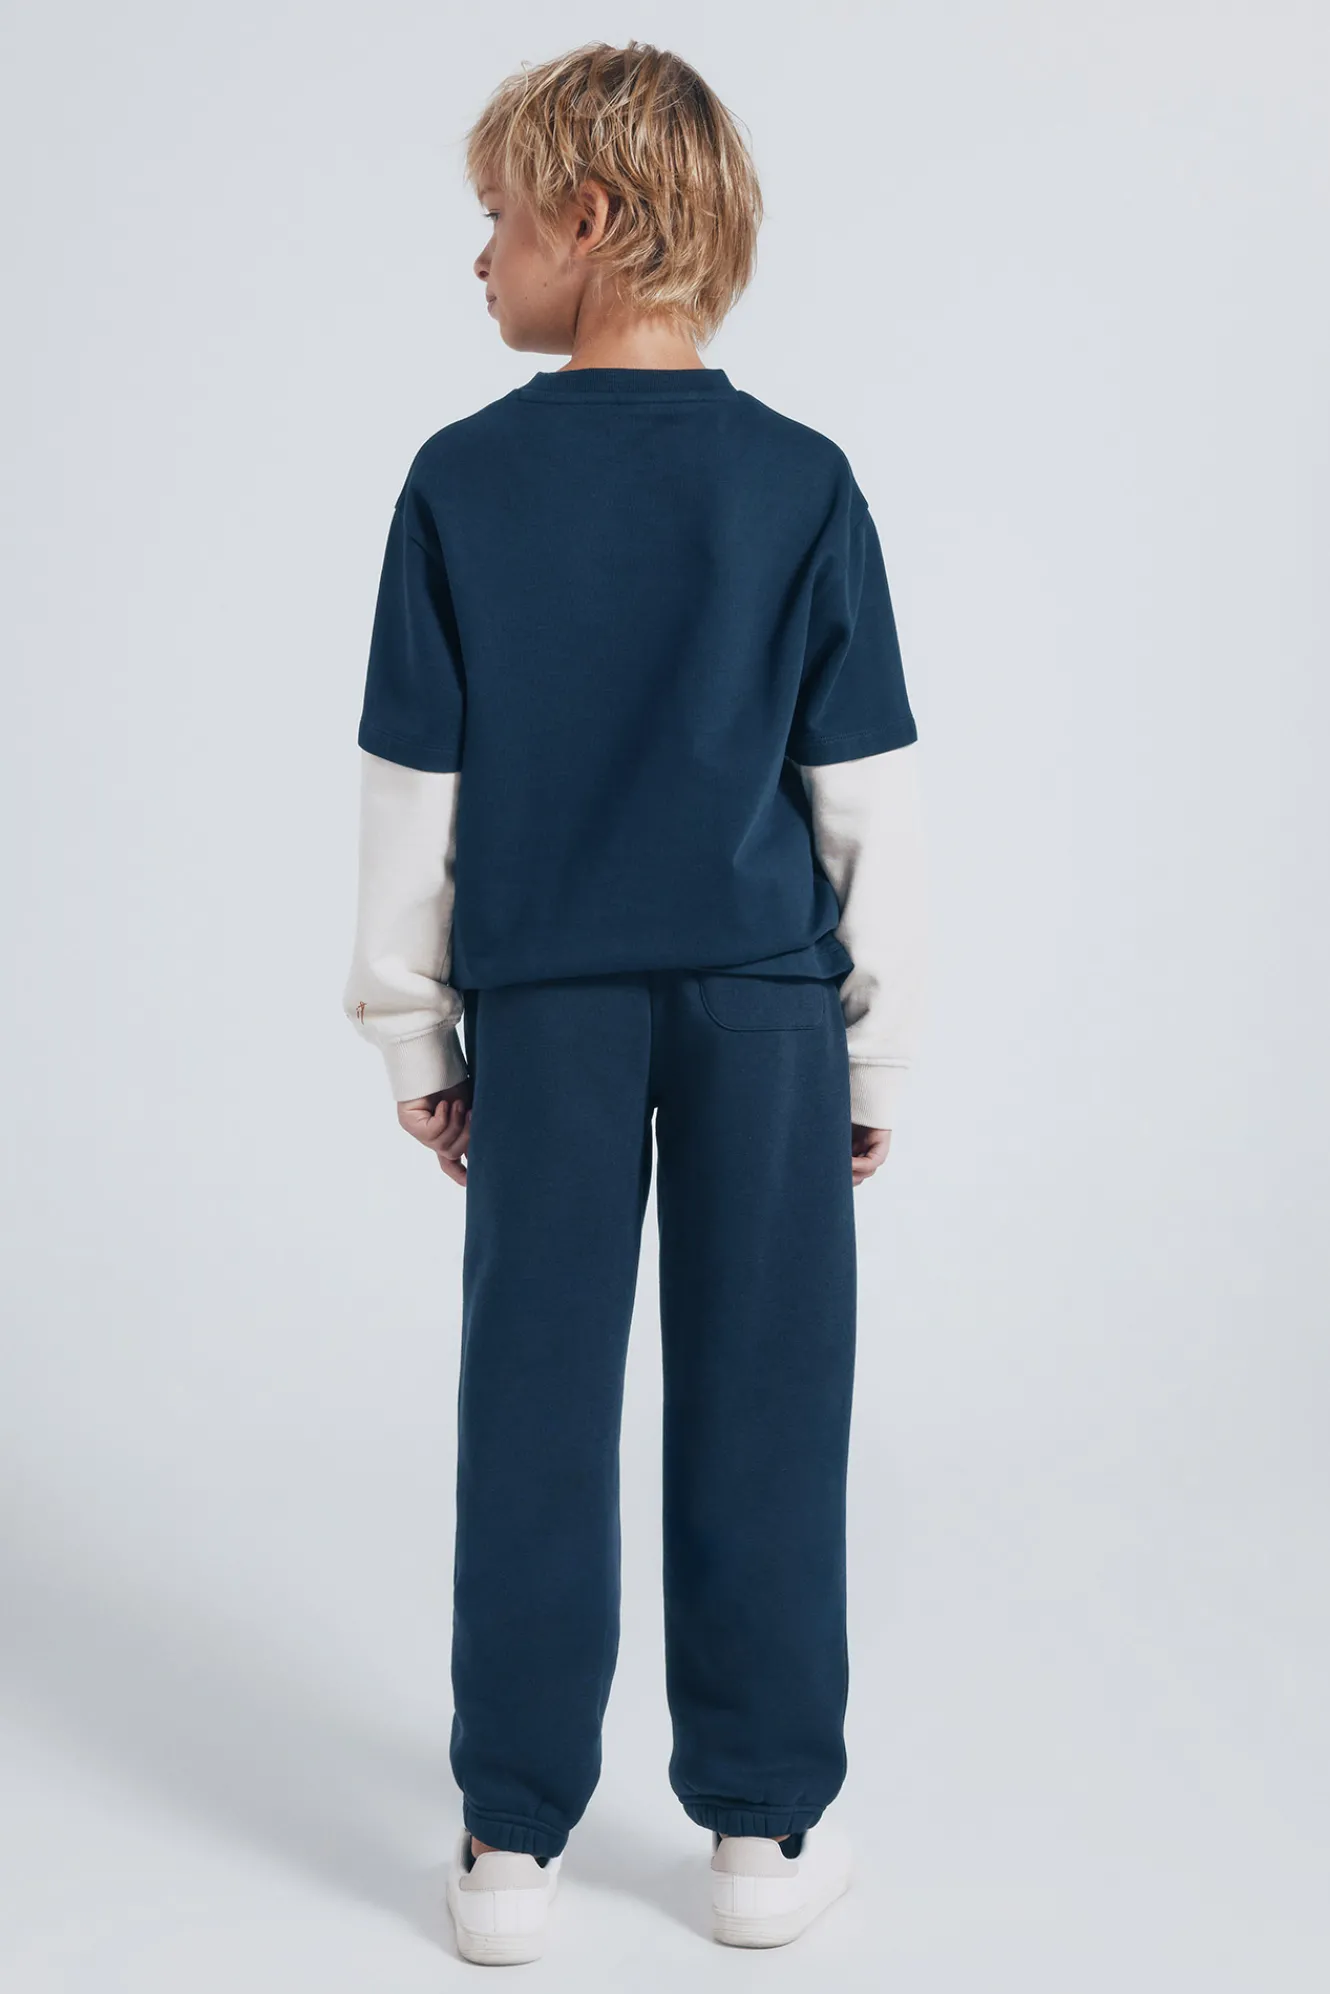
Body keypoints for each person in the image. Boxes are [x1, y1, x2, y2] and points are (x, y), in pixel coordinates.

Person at [342, 39, 928, 1965]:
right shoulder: (801, 481)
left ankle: (508, 1844)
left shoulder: (461, 480)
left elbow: (414, 787)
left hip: (549, 1011)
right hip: (765, 1008)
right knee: (767, 1395)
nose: (479, 256)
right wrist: (872, 1045)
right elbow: (863, 795)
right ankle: (762, 1829)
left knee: (529, 1400)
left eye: (498, 217)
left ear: (588, 219)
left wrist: (415, 1029)